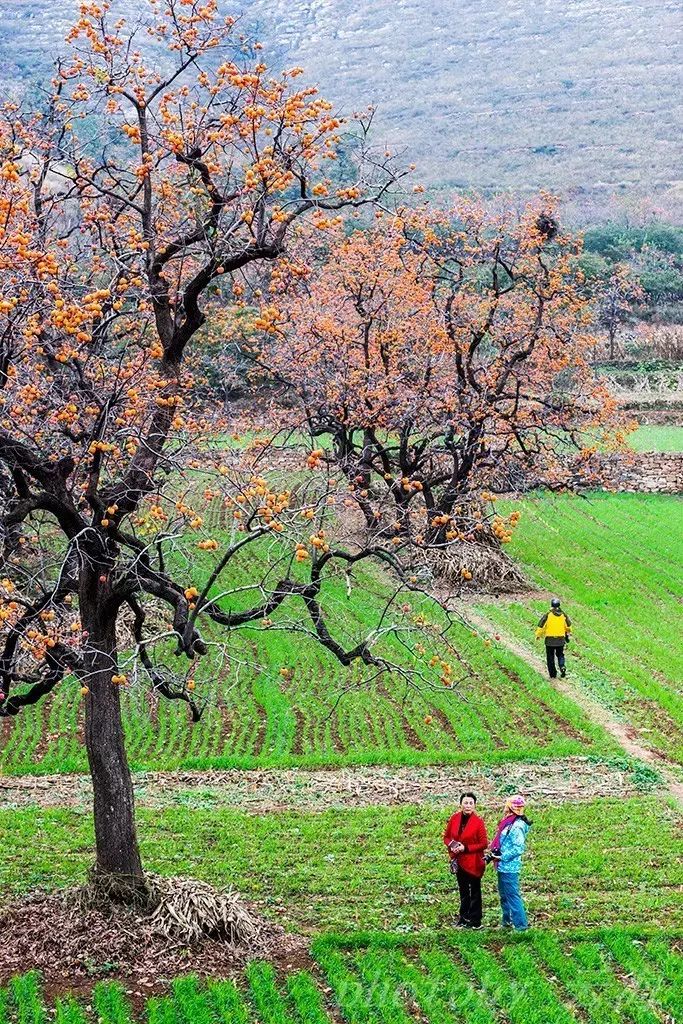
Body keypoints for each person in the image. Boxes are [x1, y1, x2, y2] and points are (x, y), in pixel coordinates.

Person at [443, 792, 488, 928]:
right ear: (461, 804)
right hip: (459, 860)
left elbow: (484, 843)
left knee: (474, 891)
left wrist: (465, 848)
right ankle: (463, 918)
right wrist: (453, 846)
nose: (468, 806)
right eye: (465, 803)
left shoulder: (478, 822)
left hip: (473, 862)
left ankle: (475, 921)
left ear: (474, 805)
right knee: (463, 891)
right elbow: (446, 837)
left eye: (470, 803)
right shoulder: (455, 819)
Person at [489, 794, 531, 930]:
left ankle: (521, 926)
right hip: (503, 866)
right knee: (504, 896)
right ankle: (507, 921)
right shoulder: (509, 822)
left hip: (510, 867)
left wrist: (502, 857)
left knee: (512, 896)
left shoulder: (517, 826)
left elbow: (518, 848)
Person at [535, 597, 571, 679]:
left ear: (551, 605)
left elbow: (541, 625)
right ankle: (562, 666)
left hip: (550, 640)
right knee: (560, 655)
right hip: (560, 639)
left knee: (550, 657)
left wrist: (538, 635)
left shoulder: (548, 615)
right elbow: (568, 626)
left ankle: (553, 674)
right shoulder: (563, 615)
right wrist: (568, 631)